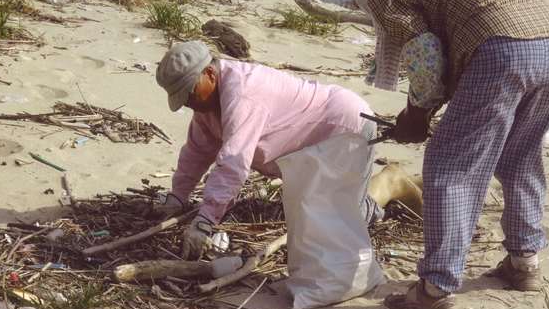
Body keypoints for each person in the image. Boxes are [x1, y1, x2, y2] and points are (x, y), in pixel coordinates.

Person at [322, 0, 549, 309]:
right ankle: (525, 264)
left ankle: (435, 289)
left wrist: (416, 116)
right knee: (520, 156)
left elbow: (426, 57)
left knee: (450, 168)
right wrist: (422, 108)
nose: (358, 0)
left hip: (501, 51)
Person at [153, 41, 416, 259]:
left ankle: (392, 181)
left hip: (344, 130)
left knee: (350, 219)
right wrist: (178, 197)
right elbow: (198, 150)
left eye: (189, 94)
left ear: (209, 74)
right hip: (312, 148)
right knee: (325, 211)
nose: (187, 103)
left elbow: (233, 162)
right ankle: (406, 181)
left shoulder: (242, 94)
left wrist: (205, 221)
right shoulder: (207, 103)